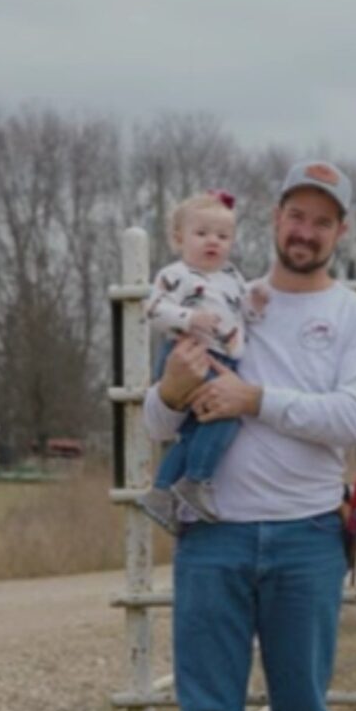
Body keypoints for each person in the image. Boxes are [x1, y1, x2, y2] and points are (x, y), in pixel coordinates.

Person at [143, 159, 356, 711]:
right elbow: (161, 422)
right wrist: (174, 386)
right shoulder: (223, 298)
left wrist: (256, 399)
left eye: (321, 220)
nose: (304, 231)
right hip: (211, 535)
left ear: (340, 231)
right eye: (294, 215)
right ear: (276, 219)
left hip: (307, 537)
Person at [138, 189, 268, 532]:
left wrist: (256, 305)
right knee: (225, 416)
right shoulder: (175, 274)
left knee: (196, 430)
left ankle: (161, 491)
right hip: (190, 355)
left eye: (223, 236)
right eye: (202, 234)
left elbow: (243, 314)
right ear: (179, 238)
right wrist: (187, 319)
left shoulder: (232, 276)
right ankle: (195, 481)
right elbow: (152, 309)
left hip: (226, 357)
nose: (213, 242)